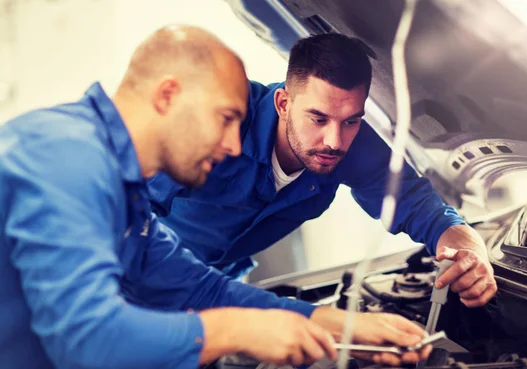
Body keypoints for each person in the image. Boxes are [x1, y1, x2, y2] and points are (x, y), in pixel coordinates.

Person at [0, 26, 430, 369]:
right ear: (168, 95)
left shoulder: (121, 186)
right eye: (225, 118)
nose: (230, 145)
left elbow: (200, 289)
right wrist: (231, 332)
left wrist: (338, 324)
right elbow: (87, 341)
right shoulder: (66, 156)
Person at [149, 33, 498, 308]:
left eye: (350, 120)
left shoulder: (355, 145)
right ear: (284, 103)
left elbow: (425, 210)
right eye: (318, 118)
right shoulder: (217, 121)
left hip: (222, 282)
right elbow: (125, 214)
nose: (335, 141)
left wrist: (472, 253)